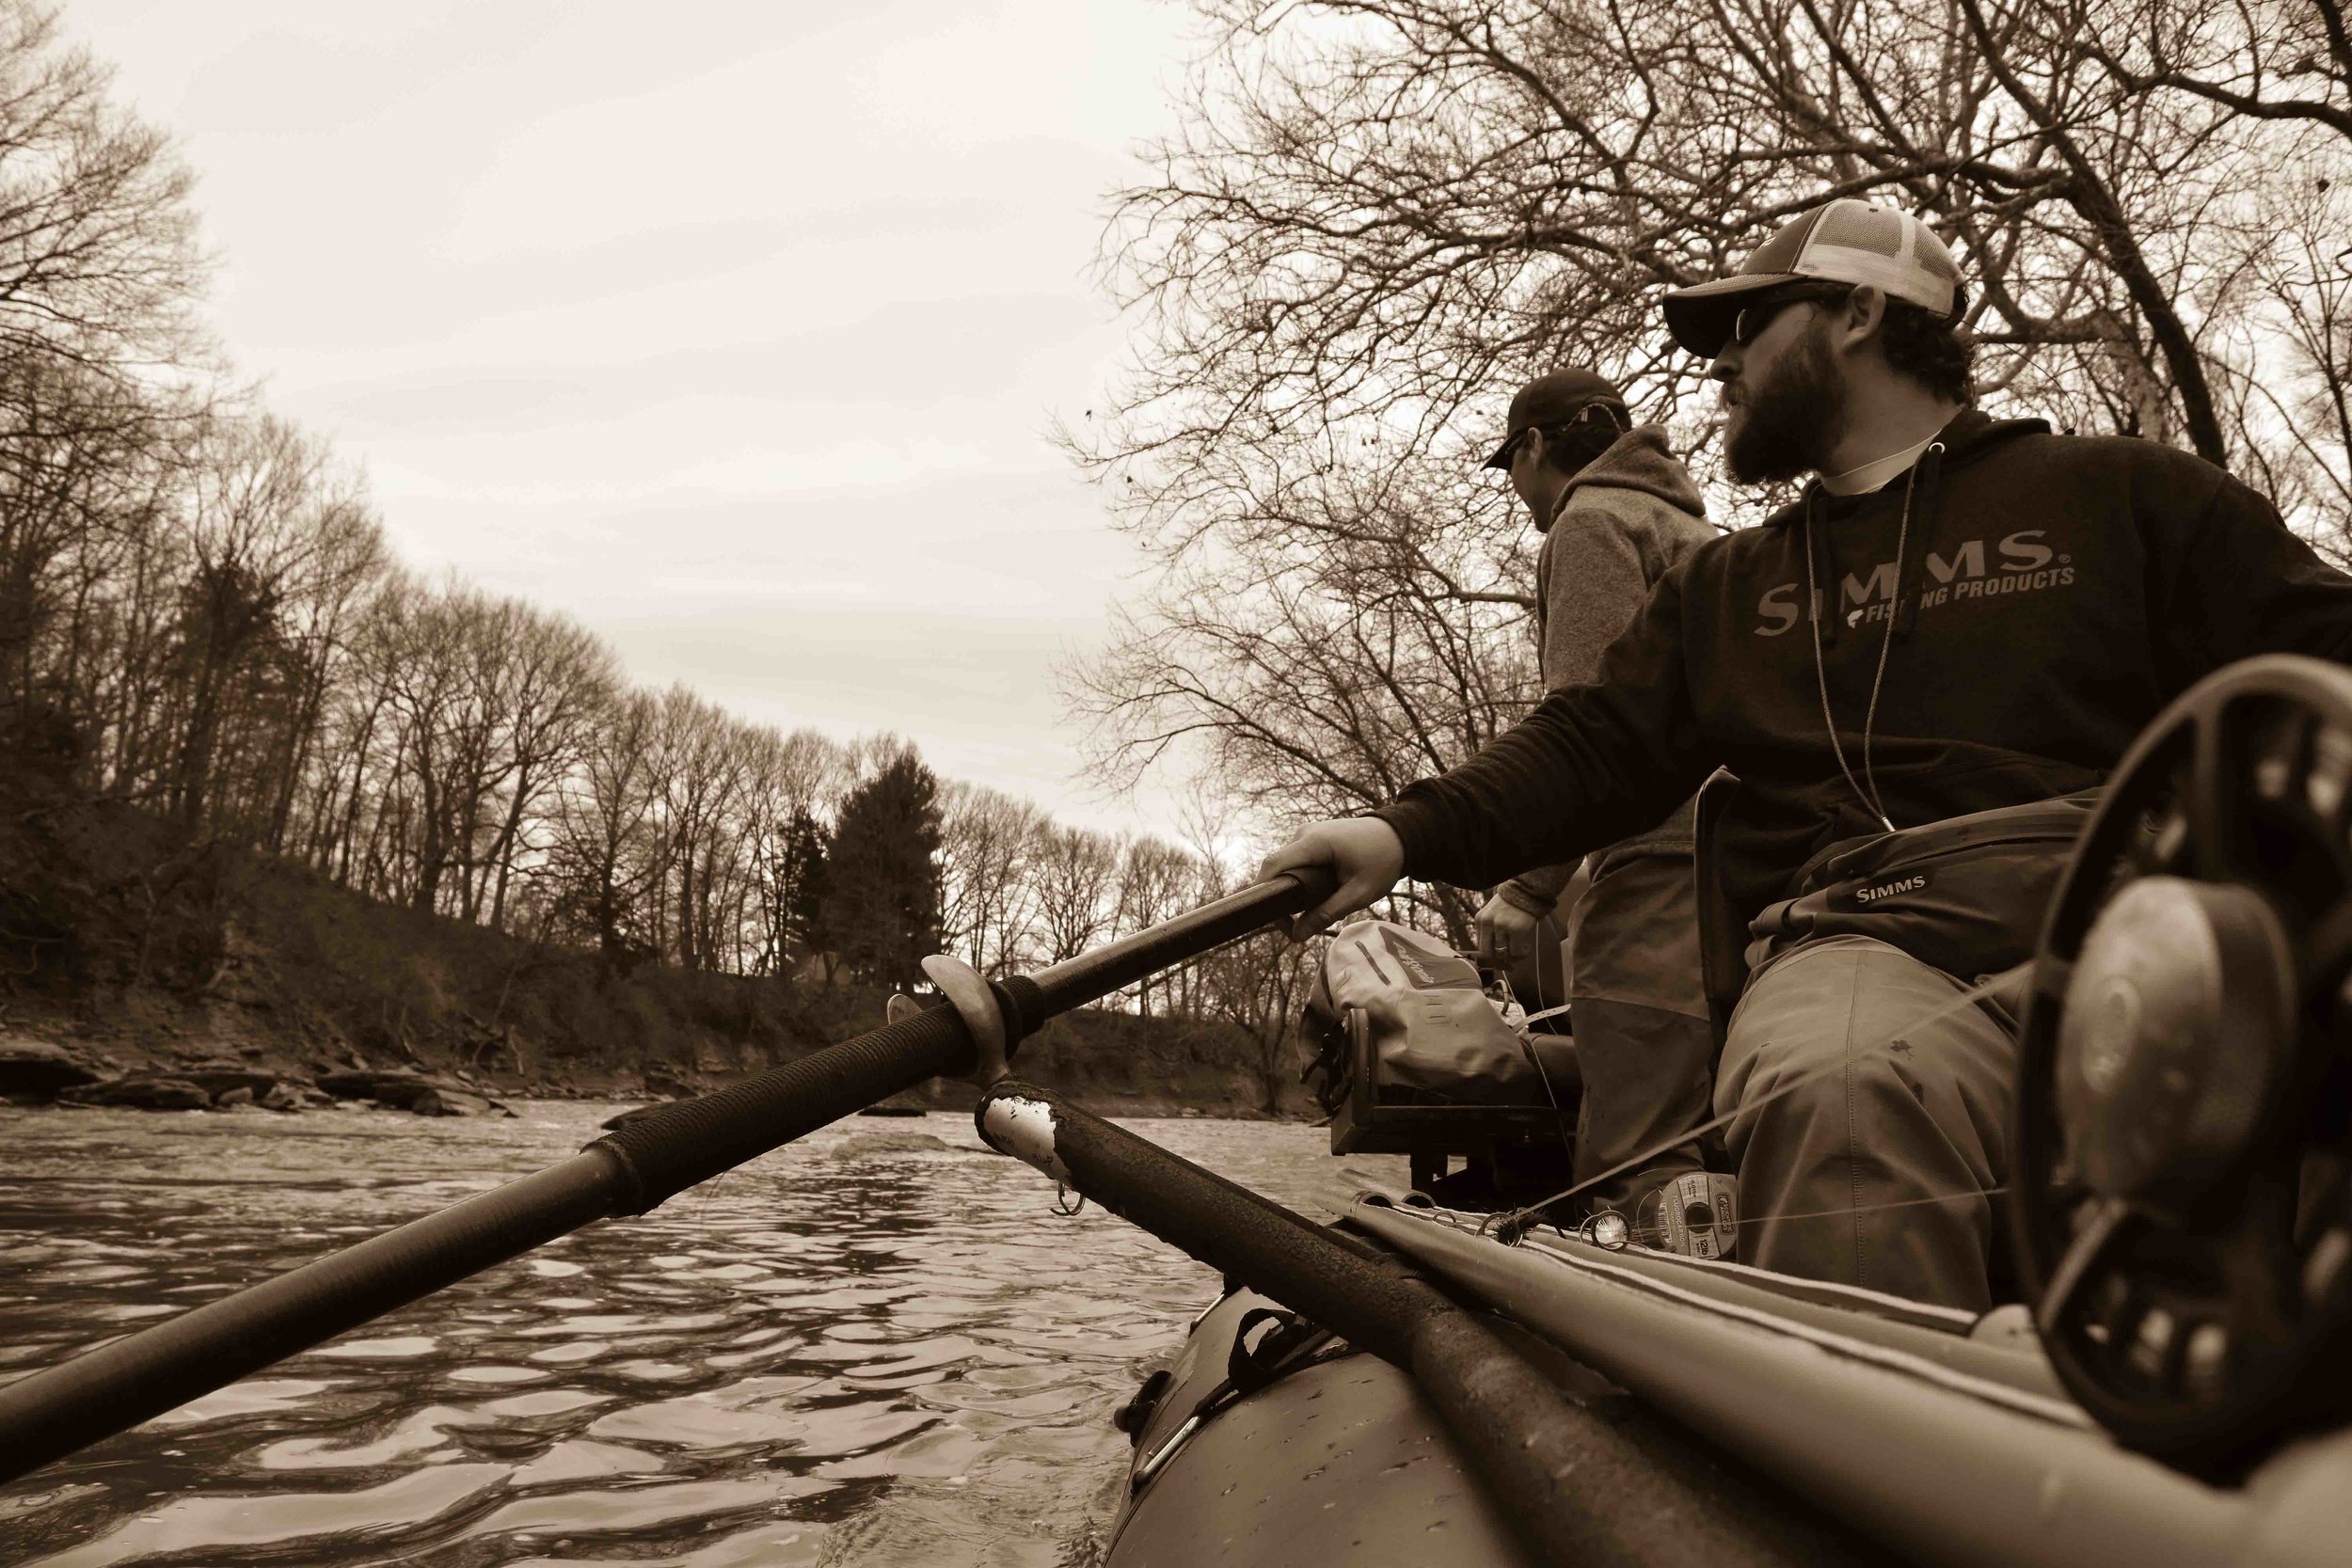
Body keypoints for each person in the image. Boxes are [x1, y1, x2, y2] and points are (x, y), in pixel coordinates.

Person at [1261, 198, 2352, 1310]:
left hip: (2146, 923)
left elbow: (2324, 662)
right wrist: (1398, 828)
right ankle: (1893, 1458)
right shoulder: (1725, 587)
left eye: (1748, 323)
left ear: (1862, 313)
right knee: (1845, 1087)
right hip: (1868, 944)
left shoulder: (2131, 495)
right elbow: (1591, 744)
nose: (1721, 361)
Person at [1475, 368, 1718, 1220]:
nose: (1515, 488)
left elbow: (1587, 734)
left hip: (1655, 869)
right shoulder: (1693, 525)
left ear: (1537, 446)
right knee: (1704, 1130)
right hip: (1735, 871)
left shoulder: (1590, 522)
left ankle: (1652, 1337)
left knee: (1638, 1157)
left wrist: (1529, 886)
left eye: (1511, 463)